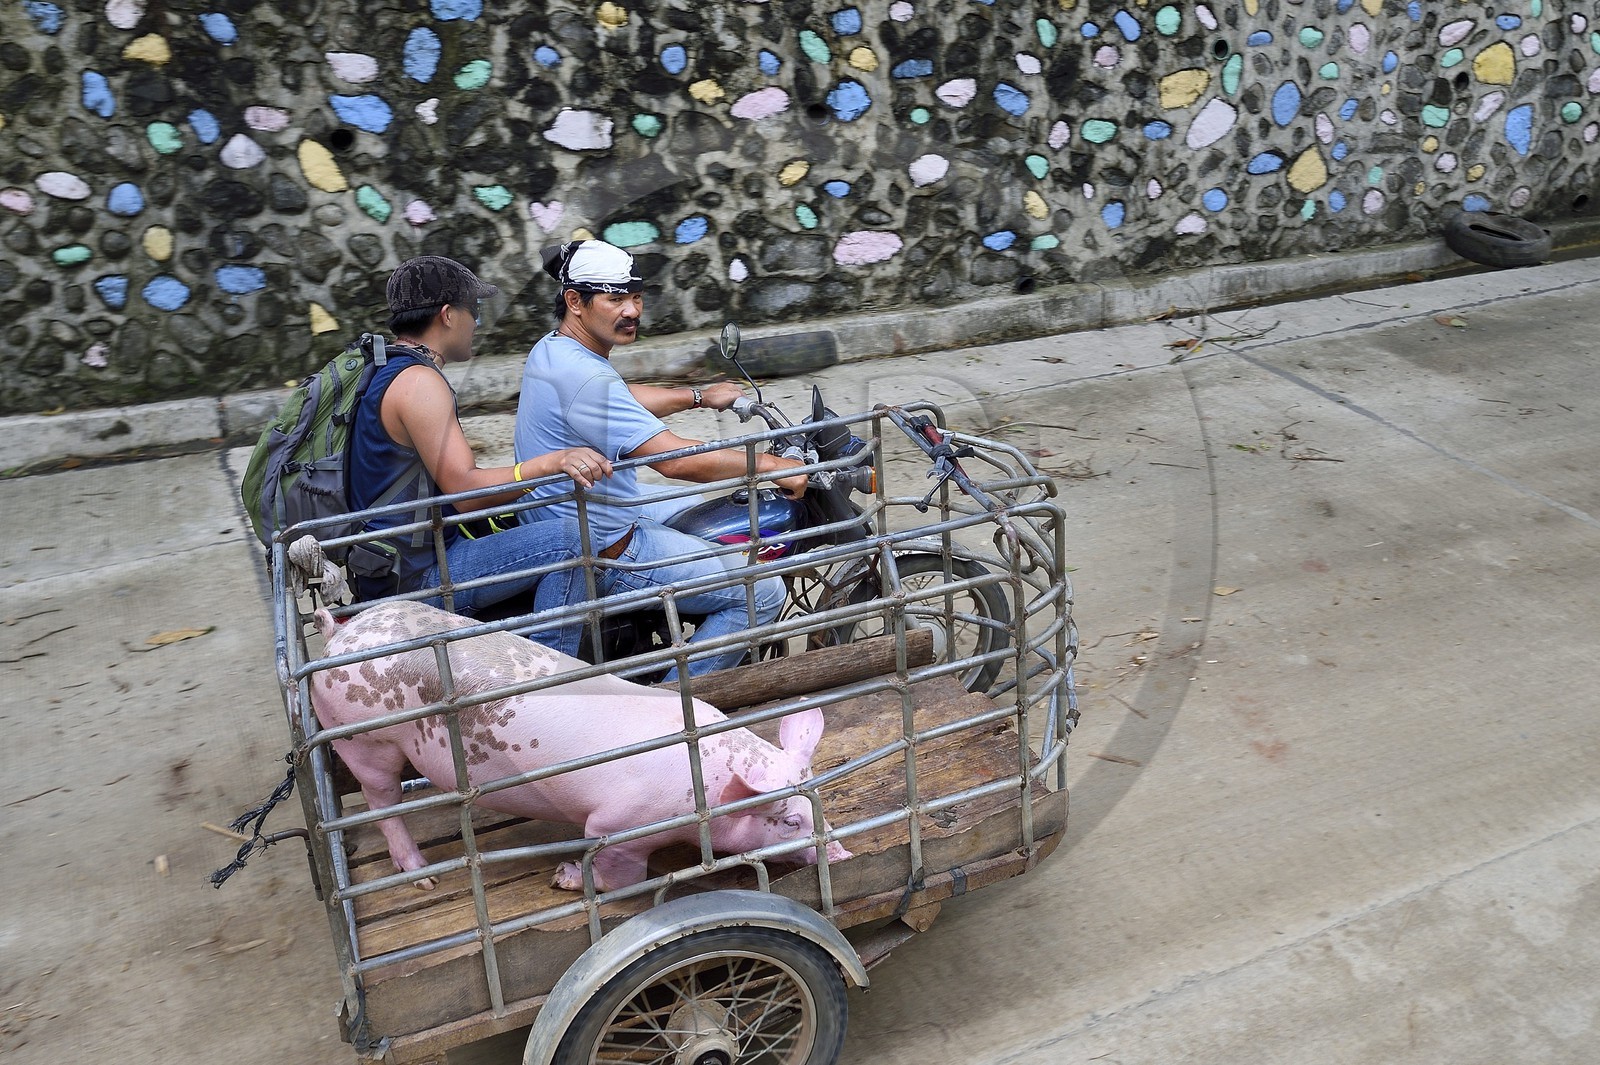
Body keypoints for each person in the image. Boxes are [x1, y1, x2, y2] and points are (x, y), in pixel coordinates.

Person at [512, 240, 807, 678]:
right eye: (615, 299)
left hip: (572, 513)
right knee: (761, 592)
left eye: (635, 297)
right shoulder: (585, 373)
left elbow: (621, 399)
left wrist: (699, 396)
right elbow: (675, 461)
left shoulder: (555, 349)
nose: (631, 310)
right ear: (575, 302)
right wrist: (771, 465)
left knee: (709, 511)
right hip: (603, 539)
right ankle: (667, 711)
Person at [347, 254, 613, 656]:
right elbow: (465, 491)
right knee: (572, 540)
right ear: (448, 315)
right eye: (474, 311)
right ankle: (547, 682)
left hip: (391, 565)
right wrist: (550, 463)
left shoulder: (386, 369)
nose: (478, 323)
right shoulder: (419, 384)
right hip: (417, 579)